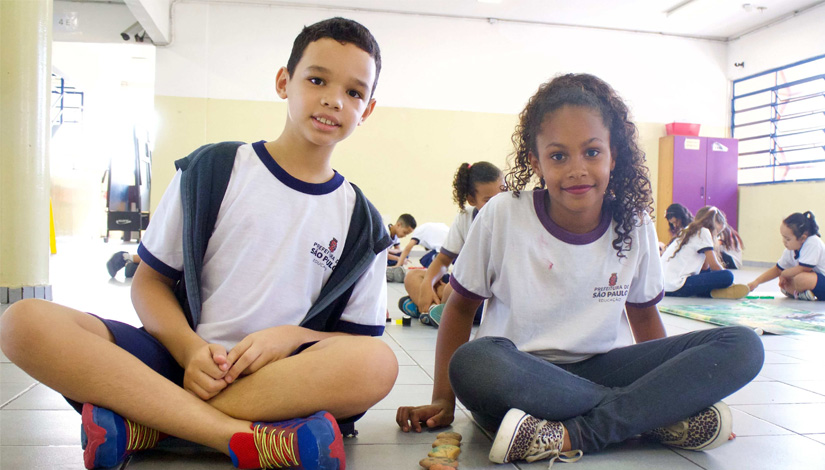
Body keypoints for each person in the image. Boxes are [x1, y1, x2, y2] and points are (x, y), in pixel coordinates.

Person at [1, 17, 399, 470]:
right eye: (316, 79)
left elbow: (352, 341)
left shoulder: (363, 221)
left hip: (278, 384)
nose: (333, 99)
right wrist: (189, 350)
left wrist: (291, 337)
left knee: (378, 363)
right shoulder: (214, 169)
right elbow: (148, 282)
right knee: (22, 322)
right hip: (178, 361)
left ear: (366, 110)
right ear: (284, 82)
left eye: (354, 92)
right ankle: (249, 440)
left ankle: (150, 424)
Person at [395, 73, 764, 467]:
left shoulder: (634, 222)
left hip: (602, 371)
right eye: (558, 156)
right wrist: (442, 400)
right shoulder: (503, 214)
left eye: (592, 152)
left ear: (613, 155)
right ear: (535, 161)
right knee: (473, 362)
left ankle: (577, 432)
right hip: (517, 378)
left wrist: (665, 371)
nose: (577, 169)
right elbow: (460, 309)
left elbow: (644, 318)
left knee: (743, 345)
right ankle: (650, 416)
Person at [398, 161, 504, 325]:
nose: (497, 205)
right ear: (471, 199)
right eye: (488, 200)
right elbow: (442, 260)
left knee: (450, 290)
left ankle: (429, 308)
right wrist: (427, 284)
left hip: (490, 295)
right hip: (464, 287)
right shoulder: (465, 217)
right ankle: (434, 310)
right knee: (413, 277)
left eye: (503, 195)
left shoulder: (508, 219)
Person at [661, 206, 749, 299]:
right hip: (676, 286)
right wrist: (730, 283)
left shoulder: (688, 230)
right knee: (728, 276)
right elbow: (714, 266)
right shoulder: (703, 231)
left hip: (664, 287)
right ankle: (718, 290)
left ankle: (712, 293)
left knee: (706, 275)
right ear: (715, 224)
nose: (716, 236)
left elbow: (704, 267)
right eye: (717, 232)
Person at [747, 211, 824, 301]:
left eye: (788, 239)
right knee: (784, 284)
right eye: (783, 237)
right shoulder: (791, 249)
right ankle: (800, 293)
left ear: (802, 238)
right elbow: (777, 269)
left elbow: (804, 268)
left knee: (800, 278)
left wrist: (784, 274)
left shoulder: (813, 242)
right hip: (815, 283)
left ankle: (800, 293)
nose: (784, 241)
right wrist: (757, 282)